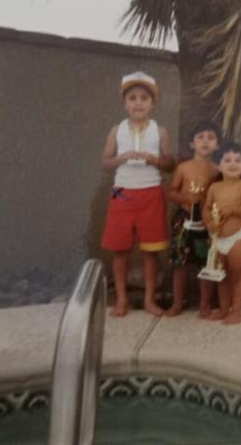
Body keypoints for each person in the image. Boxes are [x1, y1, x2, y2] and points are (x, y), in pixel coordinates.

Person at [100, 71, 175, 317]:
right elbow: (104, 162)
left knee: (150, 250)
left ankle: (149, 300)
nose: (138, 103)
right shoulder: (116, 130)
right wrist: (120, 158)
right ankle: (121, 300)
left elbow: (170, 164)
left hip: (150, 192)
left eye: (144, 98)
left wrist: (155, 160)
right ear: (124, 103)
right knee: (119, 250)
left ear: (153, 103)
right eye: (132, 98)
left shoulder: (160, 131)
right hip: (122, 193)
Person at [166, 121, 222, 317]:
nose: (205, 141)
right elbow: (171, 192)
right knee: (180, 262)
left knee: (206, 262)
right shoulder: (183, 167)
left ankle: (205, 305)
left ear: (217, 145)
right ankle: (176, 303)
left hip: (206, 221)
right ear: (192, 144)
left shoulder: (218, 170)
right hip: (183, 220)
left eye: (211, 138)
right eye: (200, 137)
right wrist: (186, 199)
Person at [202, 142, 241, 324]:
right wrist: (209, 223)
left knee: (237, 275)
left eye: (238, 160)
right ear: (218, 166)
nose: (233, 163)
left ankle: (237, 311)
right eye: (227, 160)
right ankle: (224, 308)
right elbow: (206, 208)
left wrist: (233, 209)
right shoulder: (214, 188)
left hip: (236, 238)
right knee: (221, 275)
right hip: (218, 238)